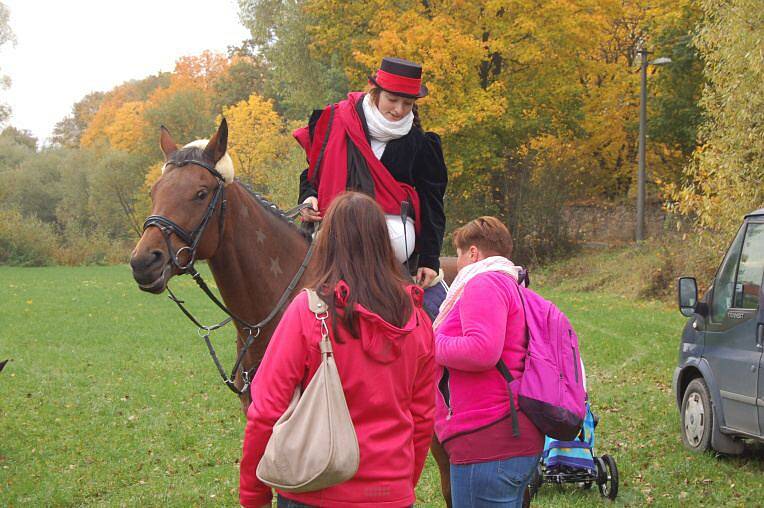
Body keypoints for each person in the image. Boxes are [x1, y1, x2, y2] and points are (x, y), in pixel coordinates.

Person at [239, 192, 436, 508]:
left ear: (327, 242)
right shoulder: (417, 321)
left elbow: (265, 410)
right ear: (383, 244)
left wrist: (253, 493)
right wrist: (399, 484)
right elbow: (423, 416)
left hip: (314, 486)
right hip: (390, 492)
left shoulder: (308, 312)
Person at [294, 57, 447, 291]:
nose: (398, 110)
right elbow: (313, 171)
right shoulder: (336, 121)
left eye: (407, 103)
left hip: (391, 236)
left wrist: (429, 258)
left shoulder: (421, 145)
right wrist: (307, 197)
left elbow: (432, 203)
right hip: (334, 223)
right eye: (392, 100)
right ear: (375, 92)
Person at [431, 217, 542, 508]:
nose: (457, 265)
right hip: (504, 438)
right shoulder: (509, 283)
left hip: (486, 444)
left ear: (473, 253)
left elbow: (482, 350)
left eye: (458, 255)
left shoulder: (484, 283)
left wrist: (427, 345)